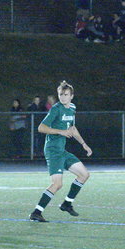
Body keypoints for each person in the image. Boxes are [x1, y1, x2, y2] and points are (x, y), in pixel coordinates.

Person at [30, 81, 92, 223]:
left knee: (84, 175)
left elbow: (72, 128)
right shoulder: (56, 109)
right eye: (60, 95)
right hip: (52, 150)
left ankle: (67, 204)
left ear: (71, 96)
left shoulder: (72, 108)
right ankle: (36, 213)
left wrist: (84, 144)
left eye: (65, 94)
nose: (63, 97)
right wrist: (61, 131)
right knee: (57, 184)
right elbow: (41, 128)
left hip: (62, 151)